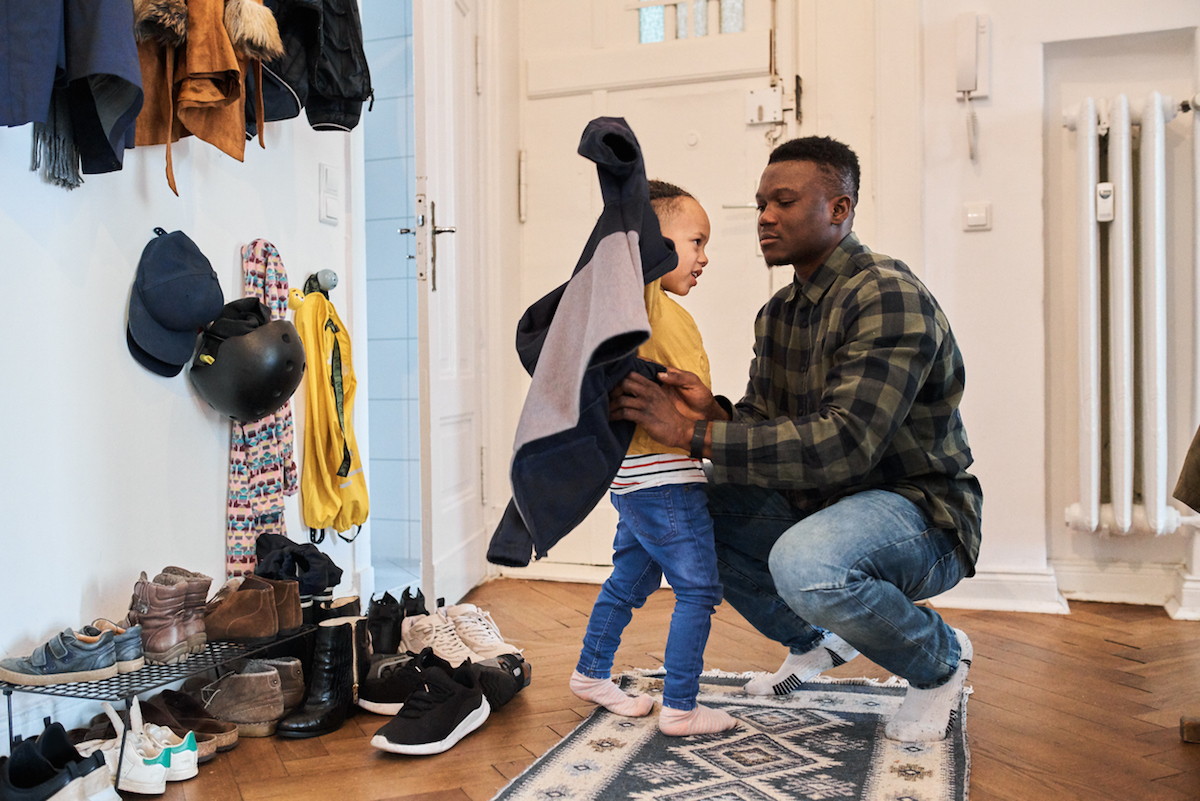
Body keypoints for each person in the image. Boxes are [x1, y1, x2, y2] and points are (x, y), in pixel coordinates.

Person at [609, 137, 983, 742]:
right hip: (821, 505)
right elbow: (762, 425)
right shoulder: (779, 312)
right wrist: (717, 414)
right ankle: (815, 642)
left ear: (839, 208)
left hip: (921, 514)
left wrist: (693, 431)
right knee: (686, 506)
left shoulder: (887, 294)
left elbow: (846, 443)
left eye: (784, 201)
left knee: (808, 562)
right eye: (760, 204)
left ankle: (939, 661)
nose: (764, 217)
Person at [570, 181, 739, 737]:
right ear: (656, 245)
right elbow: (627, 249)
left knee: (629, 581)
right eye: (696, 242)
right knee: (698, 589)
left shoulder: (674, 315)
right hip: (662, 481)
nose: (705, 257)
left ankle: (590, 673)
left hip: (646, 481)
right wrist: (626, 180)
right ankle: (682, 708)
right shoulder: (639, 301)